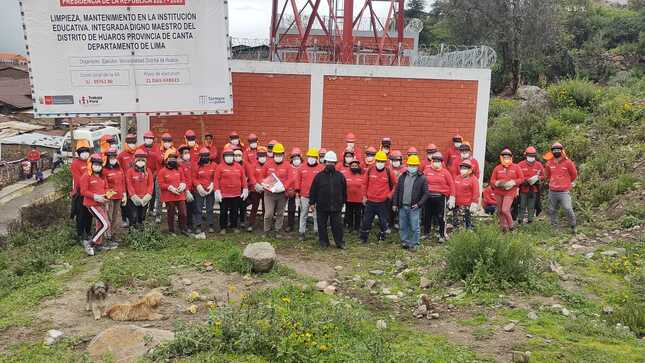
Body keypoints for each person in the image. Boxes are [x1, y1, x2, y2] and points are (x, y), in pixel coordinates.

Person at [309, 151, 347, 249]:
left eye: (332, 162)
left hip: (336, 206)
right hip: (322, 206)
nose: (330, 164)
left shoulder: (340, 176)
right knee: (321, 225)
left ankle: (339, 243)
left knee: (337, 226)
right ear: (325, 162)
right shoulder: (319, 176)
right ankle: (323, 242)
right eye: (328, 162)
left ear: (335, 163)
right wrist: (312, 203)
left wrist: (343, 201)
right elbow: (313, 190)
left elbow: (344, 190)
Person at [392, 155, 428, 251]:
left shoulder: (422, 178)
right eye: (410, 165)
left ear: (417, 166)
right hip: (402, 206)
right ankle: (405, 241)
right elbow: (397, 191)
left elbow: (426, 194)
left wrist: (419, 204)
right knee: (403, 225)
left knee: (415, 226)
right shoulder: (402, 177)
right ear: (407, 165)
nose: (412, 167)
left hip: (414, 207)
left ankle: (415, 243)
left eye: (414, 165)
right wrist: (395, 204)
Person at [359, 151, 397, 243]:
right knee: (366, 221)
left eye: (382, 161)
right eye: (379, 161)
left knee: (383, 222)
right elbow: (364, 184)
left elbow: (396, 185)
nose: (380, 163)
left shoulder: (389, 171)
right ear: (375, 161)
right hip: (370, 202)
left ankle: (382, 238)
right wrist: (364, 196)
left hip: (383, 202)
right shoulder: (370, 170)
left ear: (385, 162)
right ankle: (363, 238)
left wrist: (389, 195)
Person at [259, 143, 293, 238]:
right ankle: (266, 230)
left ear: (283, 154)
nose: (278, 156)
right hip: (269, 193)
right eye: (276, 154)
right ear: (273, 154)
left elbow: (290, 178)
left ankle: (278, 230)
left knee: (280, 213)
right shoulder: (267, 164)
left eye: (280, 154)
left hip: (282, 194)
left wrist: (284, 187)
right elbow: (261, 177)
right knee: (268, 213)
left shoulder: (287, 165)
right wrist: (265, 184)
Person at [79, 154, 111, 256]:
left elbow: (106, 187)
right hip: (92, 204)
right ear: (91, 164)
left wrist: (107, 195)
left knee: (100, 224)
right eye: (95, 164)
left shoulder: (102, 176)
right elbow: (83, 191)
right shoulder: (86, 176)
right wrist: (95, 196)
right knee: (105, 224)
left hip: (101, 203)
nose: (97, 166)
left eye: (99, 165)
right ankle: (91, 244)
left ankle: (98, 244)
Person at [544, 142, 577, 234]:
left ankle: (573, 226)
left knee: (567, 208)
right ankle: (555, 228)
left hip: (564, 191)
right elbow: (547, 175)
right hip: (552, 191)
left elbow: (574, 174)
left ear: (562, 151)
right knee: (552, 210)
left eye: (558, 150)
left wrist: (567, 183)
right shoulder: (549, 163)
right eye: (554, 150)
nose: (556, 151)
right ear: (552, 152)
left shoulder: (568, 162)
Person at [422, 152, 454, 242]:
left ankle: (442, 235)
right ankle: (426, 233)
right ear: (432, 162)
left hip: (440, 197)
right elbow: (422, 182)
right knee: (427, 216)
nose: (437, 163)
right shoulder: (427, 171)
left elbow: (452, 185)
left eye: (439, 161)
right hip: (428, 197)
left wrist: (452, 197)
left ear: (441, 162)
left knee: (441, 217)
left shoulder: (445, 172)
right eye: (435, 161)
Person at [215, 147, 248, 234]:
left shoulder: (239, 166)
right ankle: (223, 227)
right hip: (224, 194)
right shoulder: (220, 167)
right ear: (224, 157)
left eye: (230, 155)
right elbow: (216, 180)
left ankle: (234, 226)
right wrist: (217, 191)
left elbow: (243, 178)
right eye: (227, 156)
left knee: (234, 211)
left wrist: (245, 189)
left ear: (233, 156)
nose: (229, 157)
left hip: (236, 194)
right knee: (223, 212)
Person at [490, 148, 523, 232]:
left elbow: (521, 179)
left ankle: (511, 227)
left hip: (510, 192)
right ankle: (503, 228)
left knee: (505, 209)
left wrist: (513, 182)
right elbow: (492, 181)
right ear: (501, 158)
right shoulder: (497, 168)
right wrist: (497, 183)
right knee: (500, 211)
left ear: (511, 157)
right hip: (498, 191)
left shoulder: (516, 167)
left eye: (508, 157)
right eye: (504, 157)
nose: (506, 158)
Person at [158, 149, 189, 235]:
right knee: (171, 213)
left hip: (180, 195)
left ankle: (183, 229)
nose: (173, 160)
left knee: (183, 213)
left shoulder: (179, 169)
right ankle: (171, 230)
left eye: (174, 158)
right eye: (170, 158)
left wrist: (183, 185)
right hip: (169, 196)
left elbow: (183, 179)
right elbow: (161, 184)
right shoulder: (162, 171)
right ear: (166, 160)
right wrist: (169, 187)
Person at [296, 147, 323, 241]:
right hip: (304, 196)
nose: (311, 158)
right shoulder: (301, 168)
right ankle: (301, 232)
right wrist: (297, 194)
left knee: (316, 215)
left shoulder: (321, 169)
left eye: (313, 157)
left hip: (317, 197)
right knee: (303, 214)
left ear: (316, 158)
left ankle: (317, 232)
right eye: (309, 156)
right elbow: (298, 181)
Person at [103, 147, 126, 245]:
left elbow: (123, 182)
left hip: (119, 196)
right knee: (109, 216)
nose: (113, 158)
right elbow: (104, 185)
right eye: (111, 157)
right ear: (107, 158)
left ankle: (114, 234)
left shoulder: (119, 168)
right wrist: (108, 197)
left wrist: (124, 194)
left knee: (116, 216)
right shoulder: (104, 170)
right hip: (110, 197)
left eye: (114, 157)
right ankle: (107, 236)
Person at [71, 139, 93, 242]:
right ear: (78, 153)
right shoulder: (75, 164)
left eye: (86, 151)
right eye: (82, 152)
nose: (85, 154)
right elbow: (78, 179)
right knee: (81, 214)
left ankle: (88, 232)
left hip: (90, 192)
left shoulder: (91, 162)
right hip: (80, 193)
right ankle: (80, 234)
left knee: (89, 213)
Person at [126, 149, 154, 228]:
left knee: (142, 216)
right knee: (133, 216)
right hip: (133, 199)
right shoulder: (130, 171)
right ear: (135, 160)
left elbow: (151, 184)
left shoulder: (148, 171)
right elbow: (129, 184)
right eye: (139, 160)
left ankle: (140, 231)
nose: (141, 162)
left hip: (144, 198)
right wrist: (133, 196)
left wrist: (148, 195)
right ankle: (132, 231)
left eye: (143, 160)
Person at [517, 146, 544, 224]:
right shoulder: (520, 164)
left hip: (534, 189)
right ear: (526, 155)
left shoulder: (538, 165)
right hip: (523, 188)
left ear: (535, 156)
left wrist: (538, 178)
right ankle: (520, 220)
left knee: (531, 206)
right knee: (521, 205)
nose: (531, 157)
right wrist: (524, 180)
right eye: (529, 155)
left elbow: (543, 175)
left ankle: (530, 220)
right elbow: (516, 175)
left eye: (532, 155)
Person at [192, 147, 216, 235]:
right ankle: (198, 225)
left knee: (210, 208)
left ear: (209, 156)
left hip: (210, 190)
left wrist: (213, 184)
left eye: (206, 156)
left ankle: (210, 225)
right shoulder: (196, 165)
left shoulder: (214, 165)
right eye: (203, 156)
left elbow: (216, 177)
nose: (205, 157)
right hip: (199, 190)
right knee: (199, 208)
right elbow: (194, 177)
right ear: (200, 157)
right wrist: (198, 186)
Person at [141, 131, 162, 223]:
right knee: (144, 193)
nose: (148, 140)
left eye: (150, 138)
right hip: (143, 174)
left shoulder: (157, 148)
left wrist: (153, 175)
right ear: (144, 139)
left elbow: (158, 163)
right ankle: (143, 211)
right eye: (147, 138)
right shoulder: (140, 148)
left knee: (154, 193)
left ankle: (151, 210)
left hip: (154, 174)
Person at [453, 159, 480, 230]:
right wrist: (451, 197)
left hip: (467, 206)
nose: (462, 170)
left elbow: (476, 192)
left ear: (470, 170)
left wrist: (474, 203)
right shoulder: (457, 178)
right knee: (456, 223)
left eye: (465, 168)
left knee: (465, 224)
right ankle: (457, 236)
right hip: (456, 205)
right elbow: (453, 189)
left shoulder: (473, 179)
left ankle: (466, 235)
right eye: (462, 168)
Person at [247, 146, 268, 231]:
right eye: (260, 156)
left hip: (265, 190)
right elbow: (251, 176)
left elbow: (270, 176)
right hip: (255, 190)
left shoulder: (268, 165)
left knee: (265, 207)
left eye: (264, 156)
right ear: (258, 157)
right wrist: (256, 185)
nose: (262, 158)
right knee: (254, 207)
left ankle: (265, 225)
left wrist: (265, 186)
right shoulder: (253, 165)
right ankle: (251, 224)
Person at [342, 159, 365, 233]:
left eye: (355, 166)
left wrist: (364, 197)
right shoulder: (345, 175)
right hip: (348, 199)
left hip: (358, 199)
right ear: (350, 166)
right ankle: (350, 226)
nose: (354, 167)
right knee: (349, 213)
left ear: (358, 166)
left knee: (358, 214)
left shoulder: (362, 175)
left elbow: (364, 186)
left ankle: (357, 228)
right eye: (352, 166)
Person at [178, 144, 196, 233]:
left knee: (191, 209)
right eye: (185, 153)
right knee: (183, 210)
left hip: (192, 190)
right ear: (181, 154)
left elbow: (193, 176)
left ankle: (190, 226)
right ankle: (183, 227)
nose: (187, 154)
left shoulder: (191, 163)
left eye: (188, 152)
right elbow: (181, 179)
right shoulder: (179, 165)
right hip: (184, 191)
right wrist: (186, 191)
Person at [286, 147, 302, 232]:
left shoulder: (304, 167)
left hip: (301, 192)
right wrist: (288, 189)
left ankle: (301, 225)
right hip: (291, 191)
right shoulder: (288, 168)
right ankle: (290, 225)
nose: (296, 160)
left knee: (302, 209)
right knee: (291, 208)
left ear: (300, 158)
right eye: (294, 158)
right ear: (292, 159)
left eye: (298, 158)